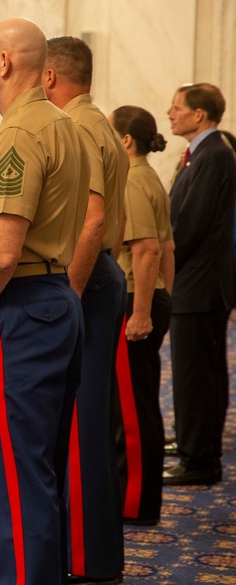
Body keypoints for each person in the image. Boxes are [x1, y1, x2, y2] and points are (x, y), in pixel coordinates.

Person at [0, 18, 90, 585]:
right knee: (44, 466)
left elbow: (1, 255)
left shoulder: (20, 134)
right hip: (55, 297)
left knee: (18, 472)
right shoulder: (65, 125)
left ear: (6, 62)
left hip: (21, 307)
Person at [43, 35, 128, 584]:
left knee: (80, 424)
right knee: (90, 420)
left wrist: (66, 297)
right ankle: (94, 554)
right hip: (99, 275)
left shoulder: (76, 126)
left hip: (85, 281)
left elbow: (93, 222)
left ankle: (86, 560)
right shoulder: (98, 121)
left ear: (49, 76)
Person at [163, 82, 235, 486]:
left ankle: (200, 460)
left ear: (200, 115)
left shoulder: (214, 156)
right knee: (196, 373)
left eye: (177, 108)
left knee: (198, 374)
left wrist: (165, 261)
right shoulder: (201, 154)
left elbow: (190, 226)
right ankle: (192, 441)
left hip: (200, 284)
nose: (170, 113)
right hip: (196, 282)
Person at [110, 105, 174, 526]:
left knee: (132, 411)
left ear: (126, 141)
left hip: (136, 299)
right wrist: (167, 296)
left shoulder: (132, 179)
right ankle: (138, 496)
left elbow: (148, 249)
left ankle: (134, 502)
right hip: (148, 295)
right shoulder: (147, 176)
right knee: (138, 402)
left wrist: (144, 312)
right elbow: (168, 249)